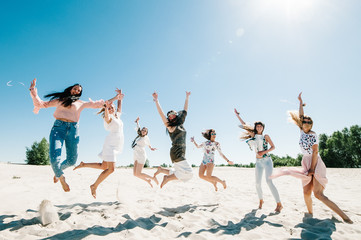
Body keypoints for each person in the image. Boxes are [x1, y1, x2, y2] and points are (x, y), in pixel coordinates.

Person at [270, 92, 353, 223]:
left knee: (318, 194)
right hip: (306, 162)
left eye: (309, 122)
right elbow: (301, 115)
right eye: (304, 121)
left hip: (316, 163)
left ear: (311, 124)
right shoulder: (301, 131)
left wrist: (312, 169)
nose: (306, 123)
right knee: (306, 192)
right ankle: (310, 213)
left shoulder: (313, 135)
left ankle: (345, 218)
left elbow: (315, 152)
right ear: (301, 124)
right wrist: (300, 102)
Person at [29, 78, 120, 192]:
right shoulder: (61, 100)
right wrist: (33, 90)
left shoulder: (81, 103)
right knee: (54, 157)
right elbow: (41, 104)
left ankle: (57, 172)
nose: (77, 91)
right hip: (58, 128)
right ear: (71, 89)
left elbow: (100, 104)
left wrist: (116, 98)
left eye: (79, 90)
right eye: (75, 88)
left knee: (72, 160)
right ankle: (61, 177)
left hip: (73, 130)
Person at [73, 89, 124, 198]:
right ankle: (94, 186)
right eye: (109, 108)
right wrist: (106, 108)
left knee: (103, 166)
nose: (111, 109)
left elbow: (119, 107)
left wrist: (119, 97)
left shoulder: (117, 116)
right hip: (110, 145)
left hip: (114, 144)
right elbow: (107, 116)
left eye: (112, 107)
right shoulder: (108, 118)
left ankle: (84, 164)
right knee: (111, 169)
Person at [234, 108, 283, 212]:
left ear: (263, 128)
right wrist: (237, 115)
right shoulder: (253, 135)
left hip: (267, 160)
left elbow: (273, 147)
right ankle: (261, 200)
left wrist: (263, 152)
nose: (259, 127)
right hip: (258, 162)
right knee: (257, 183)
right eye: (257, 126)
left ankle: (279, 204)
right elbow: (244, 125)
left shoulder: (266, 136)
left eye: (261, 126)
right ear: (255, 128)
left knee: (269, 181)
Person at [152, 91, 193, 188]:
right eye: (169, 116)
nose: (171, 116)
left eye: (173, 114)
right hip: (176, 152)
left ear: (176, 115)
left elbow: (185, 109)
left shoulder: (181, 123)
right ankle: (167, 178)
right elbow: (161, 114)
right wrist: (156, 101)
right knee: (189, 174)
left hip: (181, 152)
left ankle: (162, 170)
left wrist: (187, 97)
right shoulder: (170, 127)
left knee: (180, 172)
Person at [131, 117, 158, 187]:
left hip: (141, 155)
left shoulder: (146, 138)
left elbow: (149, 144)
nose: (143, 131)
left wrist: (151, 148)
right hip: (136, 154)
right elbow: (138, 128)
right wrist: (137, 122)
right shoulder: (139, 136)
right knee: (135, 174)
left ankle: (152, 178)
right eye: (143, 130)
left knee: (139, 173)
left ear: (146, 132)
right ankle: (148, 180)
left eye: (145, 130)